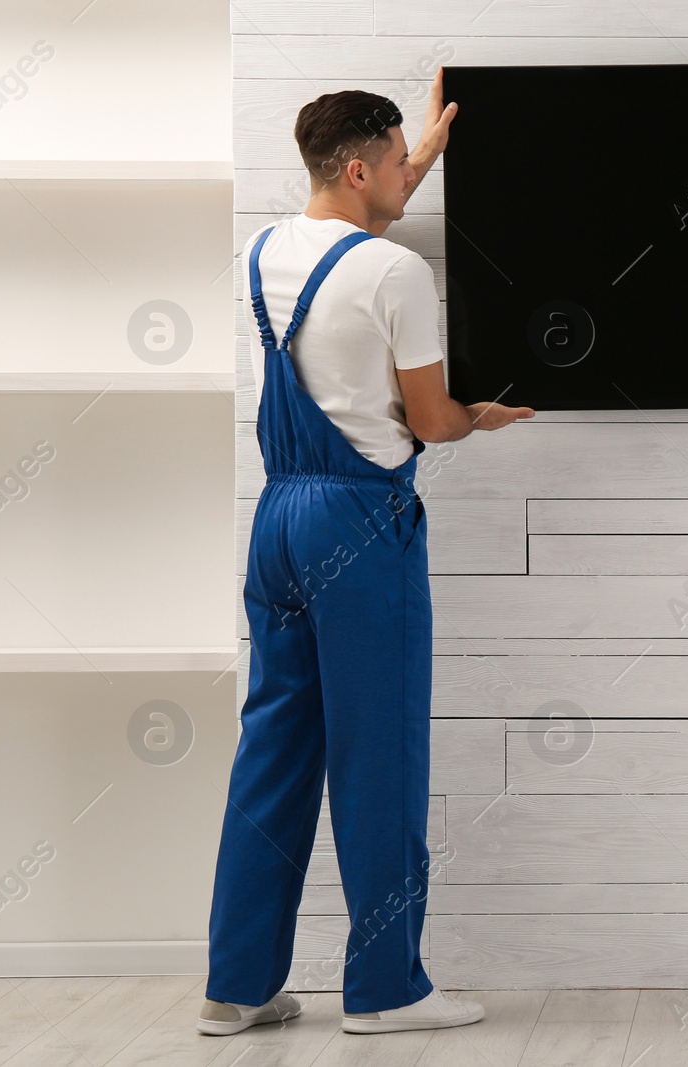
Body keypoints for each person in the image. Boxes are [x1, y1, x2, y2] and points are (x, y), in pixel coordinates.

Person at [197, 71, 534, 1037]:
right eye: (393, 162)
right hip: (360, 523)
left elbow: (347, 258)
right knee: (377, 750)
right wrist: (483, 415)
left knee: (275, 747)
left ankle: (238, 986)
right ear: (357, 168)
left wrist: (414, 158)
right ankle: (387, 989)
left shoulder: (264, 251)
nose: (405, 172)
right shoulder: (399, 275)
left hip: (279, 520)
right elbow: (431, 418)